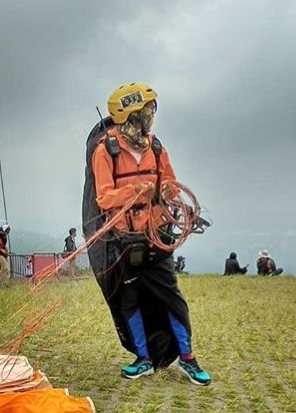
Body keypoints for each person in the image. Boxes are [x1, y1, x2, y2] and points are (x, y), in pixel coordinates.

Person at [85, 83, 211, 385]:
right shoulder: (106, 151)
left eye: (152, 109)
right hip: (126, 241)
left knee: (171, 297)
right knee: (130, 300)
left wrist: (167, 190)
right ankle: (143, 359)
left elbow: (169, 182)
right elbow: (103, 197)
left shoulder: (156, 147)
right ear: (130, 114)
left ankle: (188, 360)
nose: (151, 115)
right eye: (146, 110)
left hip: (157, 237)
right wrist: (136, 191)